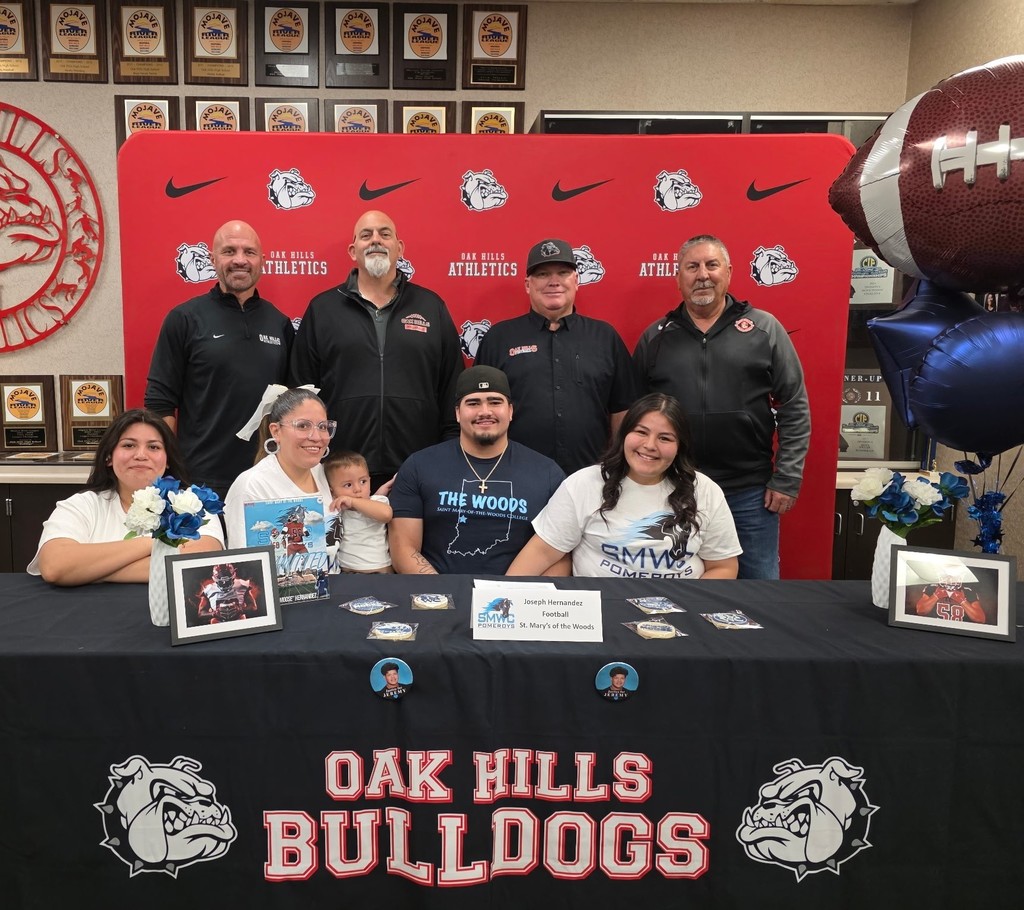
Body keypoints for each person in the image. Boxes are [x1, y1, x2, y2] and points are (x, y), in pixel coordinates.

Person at [633, 234, 809, 579]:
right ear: (678, 277)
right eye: (692, 266)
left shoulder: (764, 329)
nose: (703, 275)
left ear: (728, 272)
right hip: (673, 490)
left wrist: (787, 477)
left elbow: (794, 405)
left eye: (712, 265)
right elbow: (636, 417)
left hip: (748, 493)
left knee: (758, 591)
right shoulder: (655, 337)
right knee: (674, 590)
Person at [289, 210, 464, 491]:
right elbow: (302, 391)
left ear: (399, 248)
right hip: (338, 469)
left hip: (417, 465)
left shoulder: (431, 306)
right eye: (366, 235)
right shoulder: (323, 309)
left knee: (409, 538)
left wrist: (447, 455)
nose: (376, 241)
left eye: (385, 234)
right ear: (352, 250)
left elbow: (451, 387)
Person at [507, 393, 741, 579]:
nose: (650, 445)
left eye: (665, 438)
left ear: (680, 446)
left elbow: (723, 567)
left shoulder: (705, 491)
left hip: (677, 617)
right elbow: (543, 552)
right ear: (624, 435)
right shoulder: (583, 484)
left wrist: (688, 610)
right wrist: (498, 600)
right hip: (600, 615)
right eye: (641, 432)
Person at [145, 220, 294, 498]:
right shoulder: (185, 318)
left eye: (249, 252)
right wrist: (163, 468)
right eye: (229, 251)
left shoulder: (279, 323)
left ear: (262, 260)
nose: (240, 260)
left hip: (267, 478)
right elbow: (160, 402)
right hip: (201, 480)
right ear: (213, 259)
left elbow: (293, 405)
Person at [474, 238, 639, 474]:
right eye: (542, 274)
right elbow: (479, 409)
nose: (554, 282)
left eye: (563, 272)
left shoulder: (605, 337)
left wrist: (620, 468)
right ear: (527, 284)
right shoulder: (499, 338)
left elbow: (623, 409)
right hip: (514, 478)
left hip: (589, 477)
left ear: (576, 280)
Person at [389, 366, 567, 575]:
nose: (485, 411)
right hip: (439, 598)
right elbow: (403, 550)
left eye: (495, 402)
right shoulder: (419, 466)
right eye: (473, 403)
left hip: (514, 600)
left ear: (510, 411)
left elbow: (560, 557)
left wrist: (519, 600)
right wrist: (442, 598)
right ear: (457, 413)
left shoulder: (547, 473)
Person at [28, 409, 224, 585]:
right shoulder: (81, 505)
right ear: (108, 457)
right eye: (129, 445)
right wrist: (156, 544)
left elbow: (201, 564)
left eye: (154, 447)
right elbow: (56, 566)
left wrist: (89, 571)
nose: (140, 455)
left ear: (168, 461)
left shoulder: (193, 505)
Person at [223, 387, 335, 548]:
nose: (317, 437)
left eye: (323, 427)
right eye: (303, 426)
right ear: (276, 431)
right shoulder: (251, 485)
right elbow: (245, 563)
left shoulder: (324, 473)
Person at [324, 451, 393, 573]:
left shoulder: (377, 501)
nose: (358, 489)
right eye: (348, 485)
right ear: (332, 491)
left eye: (363, 482)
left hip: (379, 571)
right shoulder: (337, 508)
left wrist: (353, 502)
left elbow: (386, 514)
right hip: (346, 572)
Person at [196, 563, 261, 623]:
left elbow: (253, 606)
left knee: (242, 618)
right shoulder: (208, 589)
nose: (224, 584)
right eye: (221, 581)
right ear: (214, 579)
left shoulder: (242, 585)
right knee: (214, 621)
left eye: (227, 581)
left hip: (239, 620)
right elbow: (201, 613)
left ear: (233, 576)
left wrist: (240, 610)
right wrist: (214, 614)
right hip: (218, 622)